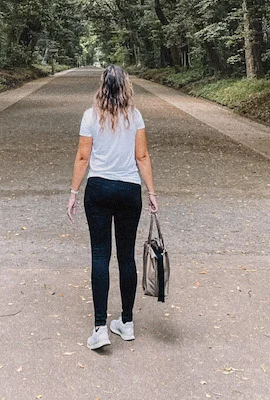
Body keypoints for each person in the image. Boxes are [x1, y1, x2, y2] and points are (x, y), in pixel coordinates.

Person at [67, 64, 158, 351]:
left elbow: (83, 158)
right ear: (126, 86)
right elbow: (142, 156)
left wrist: (73, 192)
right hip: (130, 190)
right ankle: (127, 323)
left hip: (98, 190)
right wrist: (152, 192)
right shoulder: (135, 116)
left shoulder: (90, 116)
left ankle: (99, 328)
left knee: (100, 254)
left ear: (102, 86)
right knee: (126, 256)